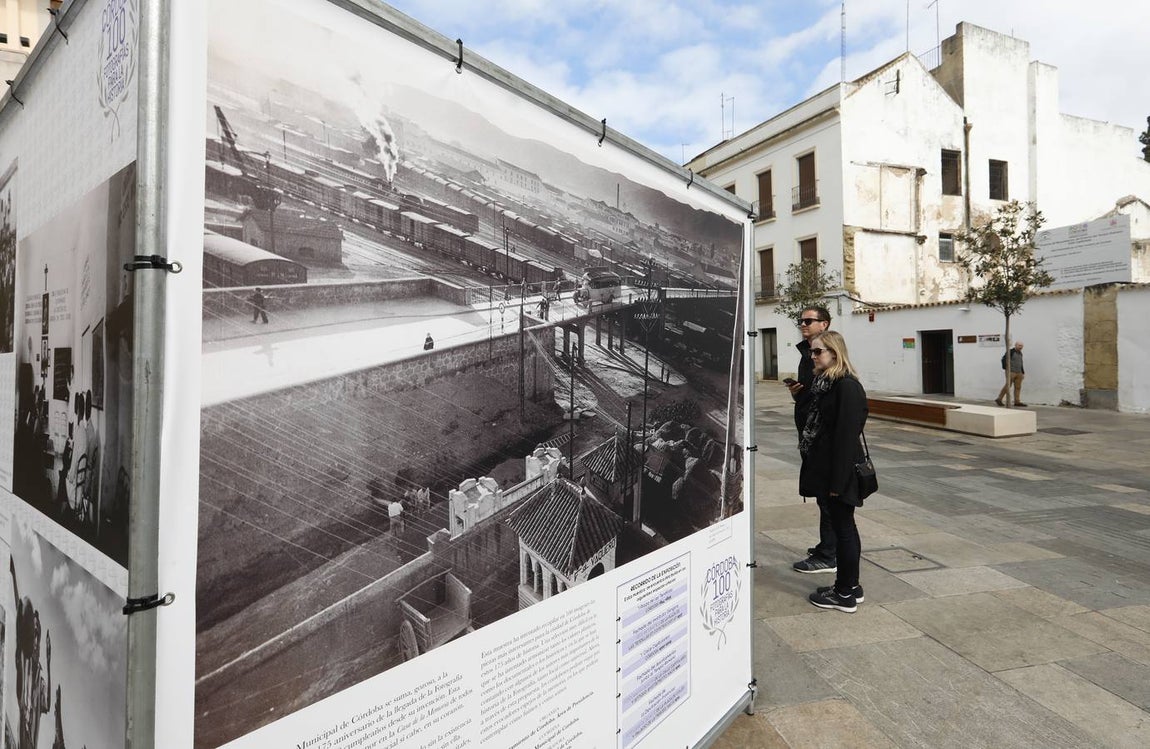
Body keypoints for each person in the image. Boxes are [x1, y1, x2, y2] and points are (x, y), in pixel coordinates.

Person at [799, 330, 868, 613]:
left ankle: (844, 593)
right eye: (811, 352)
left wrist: (837, 483)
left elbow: (846, 438)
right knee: (844, 527)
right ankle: (851, 586)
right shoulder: (826, 384)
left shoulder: (846, 387)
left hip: (840, 473)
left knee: (844, 530)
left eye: (818, 351)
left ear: (835, 353)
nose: (813, 356)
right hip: (831, 470)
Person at [786, 306, 839, 575]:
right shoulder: (807, 355)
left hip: (821, 442)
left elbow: (830, 404)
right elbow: (813, 395)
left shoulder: (831, 365)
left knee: (828, 497)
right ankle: (827, 546)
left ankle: (829, 555)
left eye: (809, 320)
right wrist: (798, 394)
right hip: (810, 436)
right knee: (821, 496)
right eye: (801, 321)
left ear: (824, 324)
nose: (803, 324)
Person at [12, 557, 52, 749]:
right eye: (33, 632)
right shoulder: (25, 660)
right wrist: (13, 577)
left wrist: (49, 661)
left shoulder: (40, 680)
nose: (34, 637)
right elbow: (21, 618)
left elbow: (47, 705)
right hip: (22, 733)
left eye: (37, 633)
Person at [996, 341, 1026, 407]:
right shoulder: (1010, 351)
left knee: (1018, 387)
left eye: (1022, 346)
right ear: (1015, 345)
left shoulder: (1020, 353)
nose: (1021, 347)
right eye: (1019, 345)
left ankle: (1017, 402)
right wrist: (1006, 368)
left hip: (1019, 373)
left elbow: (1021, 363)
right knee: (1008, 386)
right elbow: (1003, 359)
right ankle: (999, 399)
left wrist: (1022, 372)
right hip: (1011, 372)